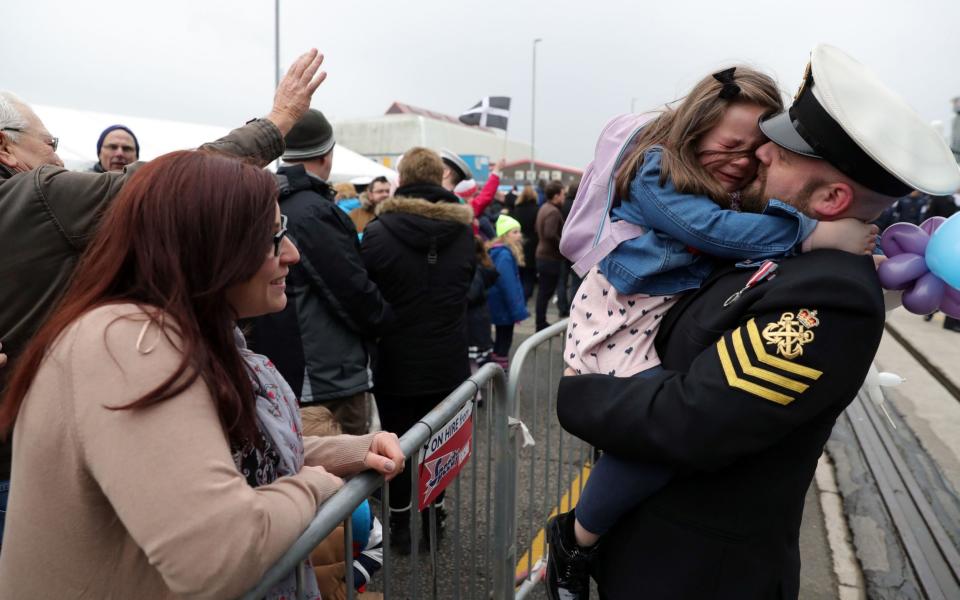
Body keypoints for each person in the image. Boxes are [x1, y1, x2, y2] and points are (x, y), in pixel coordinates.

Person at [554, 44, 960, 600]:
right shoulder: (792, 253)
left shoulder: (829, 296)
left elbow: (688, 420)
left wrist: (576, 396)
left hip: (699, 579)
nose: (762, 155)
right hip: (658, 559)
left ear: (834, 196)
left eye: (785, 154)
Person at [0, 148, 405, 598]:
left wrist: (350, 451)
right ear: (208, 248)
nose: (291, 254)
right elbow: (218, 556)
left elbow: (219, 454)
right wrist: (310, 487)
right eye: (273, 237)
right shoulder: (131, 345)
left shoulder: (161, 332)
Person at [0, 48, 329, 545]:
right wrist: (277, 122)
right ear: (5, 148)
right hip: (27, 466)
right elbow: (175, 184)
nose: (57, 158)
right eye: (50, 143)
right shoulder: (35, 199)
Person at [248, 108, 393, 435]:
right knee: (346, 474)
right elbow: (350, 289)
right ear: (327, 154)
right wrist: (385, 318)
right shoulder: (313, 211)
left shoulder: (265, 200)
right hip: (325, 376)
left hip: (284, 365)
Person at [360, 147, 475, 553]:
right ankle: (433, 519)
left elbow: (365, 292)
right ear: (438, 178)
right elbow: (471, 283)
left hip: (394, 358)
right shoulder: (464, 231)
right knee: (438, 444)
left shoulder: (378, 230)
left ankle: (400, 526)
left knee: (397, 446)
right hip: (447, 358)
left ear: (402, 179)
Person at [487, 215, 530, 367]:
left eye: (519, 231)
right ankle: (501, 376)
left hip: (501, 306)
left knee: (501, 341)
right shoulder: (504, 255)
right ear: (505, 235)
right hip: (504, 308)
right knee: (503, 343)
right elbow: (508, 285)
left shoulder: (500, 252)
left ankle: (496, 372)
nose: (519, 235)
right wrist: (517, 311)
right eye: (515, 232)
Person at [535, 181, 568, 330]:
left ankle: (540, 322)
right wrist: (562, 246)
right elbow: (550, 233)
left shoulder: (544, 207)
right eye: (562, 194)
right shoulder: (553, 211)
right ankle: (540, 323)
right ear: (556, 195)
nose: (564, 197)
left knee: (543, 292)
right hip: (549, 257)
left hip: (543, 255)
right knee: (545, 292)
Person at [467, 237, 499, 372]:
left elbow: (471, 295)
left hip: (474, 322)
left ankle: (476, 392)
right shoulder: (483, 267)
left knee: (473, 363)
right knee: (479, 361)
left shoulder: (475, 271)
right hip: (480, 319)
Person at [512, 185, 540, 299]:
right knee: (529, 275)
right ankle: (524, 298)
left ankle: (519, 298)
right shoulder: (537, 210)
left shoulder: (516, 209)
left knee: (519, 273)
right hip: (533, 245)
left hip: (518, 243)